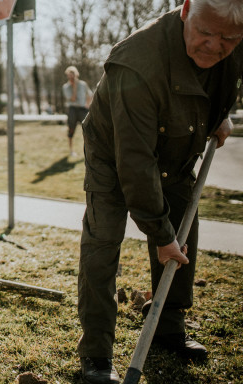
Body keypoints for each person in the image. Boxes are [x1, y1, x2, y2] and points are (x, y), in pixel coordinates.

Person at [77, 1, 243, 383]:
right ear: (186, 9)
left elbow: (224, 80)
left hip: (179, 144)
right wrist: (159, 233)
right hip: (113, 154)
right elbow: (134, 162)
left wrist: (219, 114)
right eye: (205, 32)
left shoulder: (233, 43)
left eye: (229, 39)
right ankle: (97, 353)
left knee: (184, 235)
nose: (213, 46)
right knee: (103, 244)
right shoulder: (137, 61)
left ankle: (168, 328)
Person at [62, 66, 92, 157]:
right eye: (69, 75)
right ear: (67, 76)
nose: (71, 77)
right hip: (73, 110)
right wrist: (74, 87)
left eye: (73, 75)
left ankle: (89, 151)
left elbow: (90, 94)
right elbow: (73, 98)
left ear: (76, 74)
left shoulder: (83, 84)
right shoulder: (66, 87)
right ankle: (71, 151)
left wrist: (87, 105)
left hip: (83, 109)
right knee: (71, 130)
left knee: (88, 129)